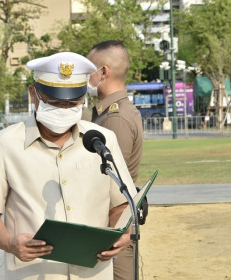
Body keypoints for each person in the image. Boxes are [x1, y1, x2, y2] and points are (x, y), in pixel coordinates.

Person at [0, 52, 138, 279]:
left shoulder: (102, 140)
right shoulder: (4, 145)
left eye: (73, 102)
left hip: (92, 273)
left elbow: (121, 204)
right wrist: (11, 243)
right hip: (32, 272)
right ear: (34, 94)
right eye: (54, 101)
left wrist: (122, 233)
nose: (64, 108)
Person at [87, 40, 144, 280]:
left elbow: (111, 182)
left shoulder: (115, 118)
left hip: (113, 227)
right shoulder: (111, 112)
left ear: (103, 72)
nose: (85, 77)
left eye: (89, 69)